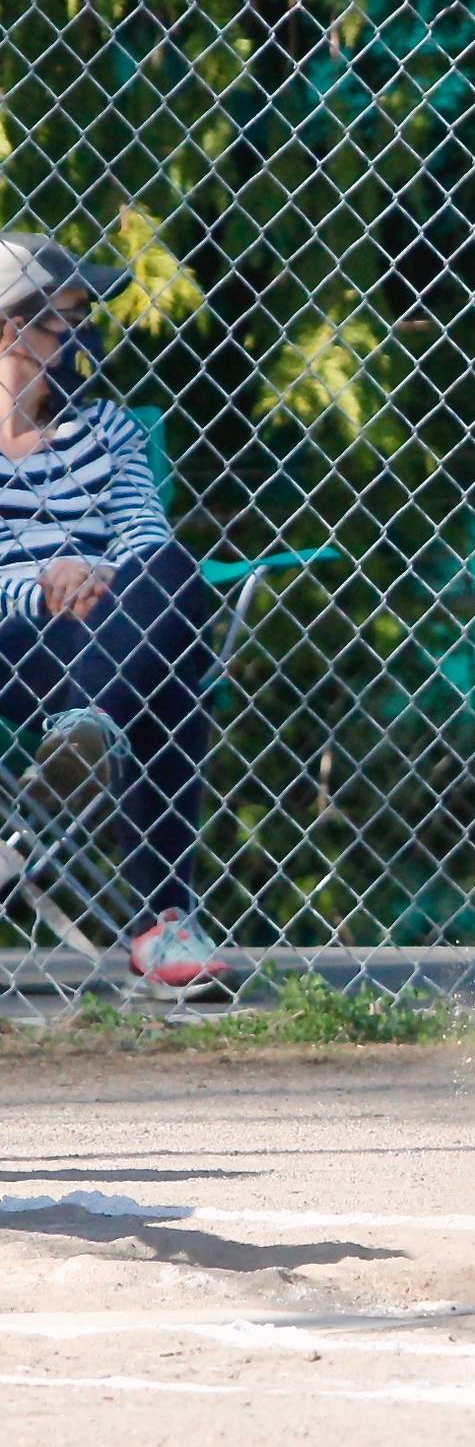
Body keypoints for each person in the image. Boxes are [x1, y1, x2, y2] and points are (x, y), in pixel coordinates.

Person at [0, 234, 225, 997]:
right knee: (167, 666)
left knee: (172, 575)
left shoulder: (109, 430)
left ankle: (88, 727)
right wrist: (44, 584)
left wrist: (99, 573)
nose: (86, 338)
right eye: (69, 320)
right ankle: (165, 924)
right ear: (10, 330)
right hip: (14, 642)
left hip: (113, 624)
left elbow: (142, 533)